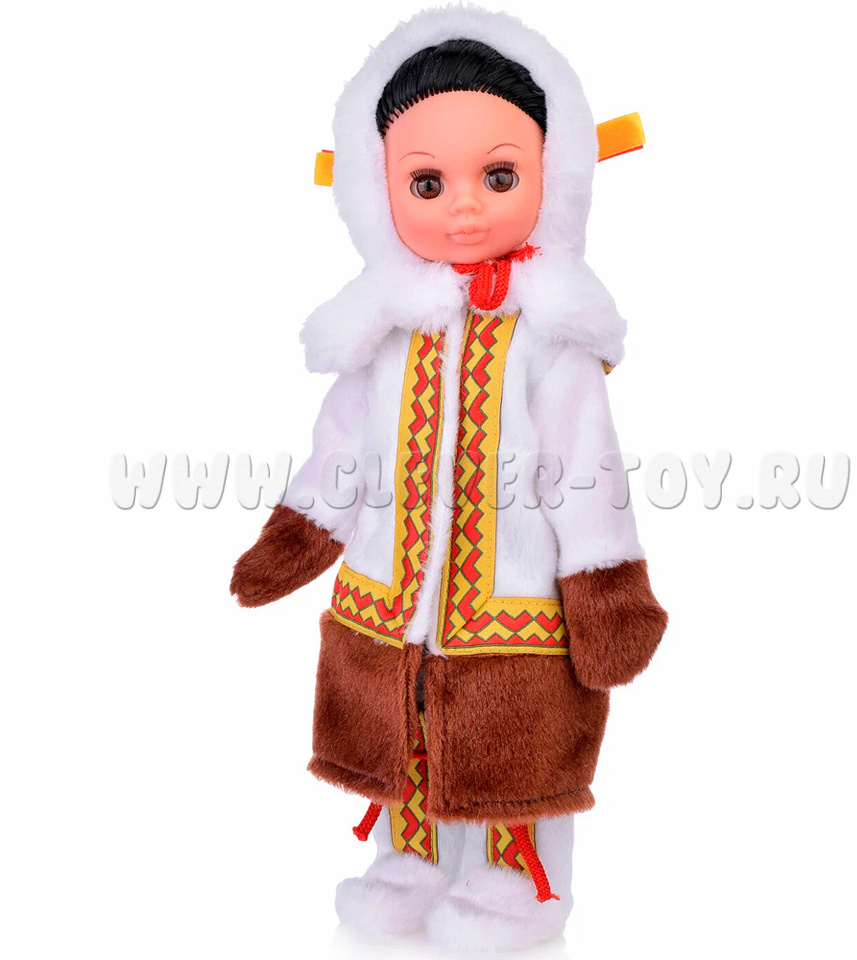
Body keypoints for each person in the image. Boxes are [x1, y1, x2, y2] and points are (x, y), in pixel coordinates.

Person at [230, 6, 667, 950]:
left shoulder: (550, 339)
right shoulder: (384, 334)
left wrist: (608, 583)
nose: (463, 206)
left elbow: (586, 471)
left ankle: (520, 882)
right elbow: (339, 452)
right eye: (427, 182)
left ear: (554, 173)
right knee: (404, 730)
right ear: (373, 188)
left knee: (511, 746)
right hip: (388, 598)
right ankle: (411, 859)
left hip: (515, 600)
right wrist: (299, 533)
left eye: (498, 176)